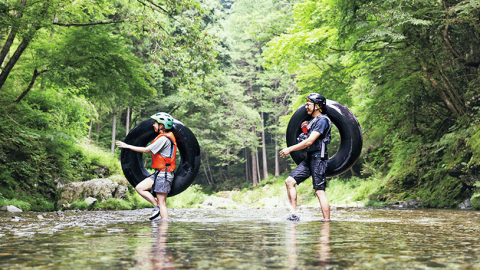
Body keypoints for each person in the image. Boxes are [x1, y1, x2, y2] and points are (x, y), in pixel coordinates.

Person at [280, 93, 332, 221]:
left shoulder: (323, 120)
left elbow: (309, 142)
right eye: (306, 104)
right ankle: (294, 215)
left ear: (318, 106)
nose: (306, 106)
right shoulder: (312, 122)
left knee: (319, 191)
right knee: (290, 182)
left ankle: (327, 222)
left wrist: (289, 149)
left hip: (319, 159)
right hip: (310, 158)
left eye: (309, 104)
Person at [116, 112, 177, 221]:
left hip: (165, 174)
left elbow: (146, 150)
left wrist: (127, 146)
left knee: (162, 202)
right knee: (140, 188)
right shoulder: (162, 137)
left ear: (161, 126)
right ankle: (156, 207)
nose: (153, 125)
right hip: (159, 173)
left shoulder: (164, 139)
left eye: (155, 123)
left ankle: (164, 228)